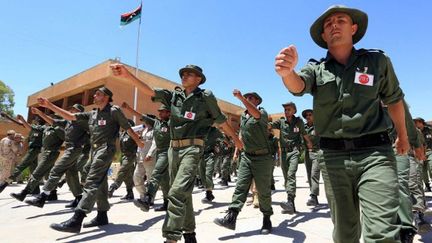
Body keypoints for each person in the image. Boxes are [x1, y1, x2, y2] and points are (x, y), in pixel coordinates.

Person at [274, 5, 409, 242]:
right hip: (333, 158)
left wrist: (403, 136)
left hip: (375, 154)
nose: (334, 25)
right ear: (324, 36)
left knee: (382, 233)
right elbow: (299, 85)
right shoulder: (316, 68)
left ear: (353, 28)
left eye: (341, 20)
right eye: (328, 24)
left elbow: (395, 99)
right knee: (345, 233)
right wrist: (287, 72)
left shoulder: (377, 61)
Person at [111, 63, 242, 243]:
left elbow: (220, 119)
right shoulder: (173, 96)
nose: (185, 76)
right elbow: (149, 91)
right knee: (184, 193)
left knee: (177, 192)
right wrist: (127, 75)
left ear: (198, 79)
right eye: (184, 73)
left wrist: (236, 140)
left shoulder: (205, 97)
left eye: (190, 74)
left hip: (193, 148)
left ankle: (171, 237)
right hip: (173, 149)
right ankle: (190, 235)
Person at [37, 87, 144, 233]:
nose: (95, 95)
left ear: (106, 97)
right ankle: (102, 215)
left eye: (98, 94)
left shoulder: (114, 111)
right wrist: (49, 106)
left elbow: (127, 127)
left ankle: (77, 218)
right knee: (99, 181)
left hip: (106, 149)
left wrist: (139, 143)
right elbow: (70, 116)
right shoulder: (92, 113)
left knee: (92, 181)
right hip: (94, 150)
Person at [214, 91, 273, 235]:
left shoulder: (262, 113)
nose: (248, 99)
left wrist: (240, 98)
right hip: (247, 156)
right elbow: (241, 134)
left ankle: (266, 218)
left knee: (263, 191)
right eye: (247, 98)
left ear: (258, 101)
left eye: (251, 98)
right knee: (240, 186)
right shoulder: (244, 117)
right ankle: (231, 217)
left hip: (262, 158)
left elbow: (256, 114)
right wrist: (237, 149)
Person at [24, 104, 88, 208]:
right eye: (71, 109)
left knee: (56, 170)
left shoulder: (82, 121)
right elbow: (53, 121)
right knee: (71, 174)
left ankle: (43, 197)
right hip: (70, 149)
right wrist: (40, 113)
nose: (71, 110)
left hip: (75, 148)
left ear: (79, 112)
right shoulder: (68, 122)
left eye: (74, 109)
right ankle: (79, 197)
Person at [10, 108, 65, 202]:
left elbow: (67, 139)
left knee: (37, 172)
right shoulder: (46, 128)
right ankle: (53, 194)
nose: (48, 119)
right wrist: (23, 120)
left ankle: (24, 193)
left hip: (51, 153)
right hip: (45, 152)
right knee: (49, 174)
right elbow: (31, 128)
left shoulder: (59, 129)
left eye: (52, 118)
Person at [269, 102, 312, 214]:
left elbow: (304, 134)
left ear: (294, 111)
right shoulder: (281, 122)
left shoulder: (299, 122)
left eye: (288, 109)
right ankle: (291, 205)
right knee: (287, 178)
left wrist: (309, 145)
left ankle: (290, 201)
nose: (286, 111)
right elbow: (269, 126)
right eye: (285, 109)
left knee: (291, 174)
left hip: (294, 151)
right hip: (283, 153)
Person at [0, 113, 44, 193]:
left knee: (20, 167)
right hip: (32, 150)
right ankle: (36, 189)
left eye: (36, 120)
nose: (34, 121)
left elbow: (23, 124)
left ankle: (4, 185)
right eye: (34, 120)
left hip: (35, 150)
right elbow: (21, 124)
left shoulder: (42, 128)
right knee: (33, 170)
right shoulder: (33, 128)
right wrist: (8, 117)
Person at [108, 118, 138, 200]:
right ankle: (130, 193)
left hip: (131, 156)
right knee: (127, 175)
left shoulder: (133, 134)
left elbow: (139, 142)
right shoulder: (123, 134)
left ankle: (113, 188)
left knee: (121, 171)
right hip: (123, 156)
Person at [302, 109, 321, 206]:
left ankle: (313, 196)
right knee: (309, 175)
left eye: (310, 115)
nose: (308, 116)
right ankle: (315, 198)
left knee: (314, 174)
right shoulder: (303, 128)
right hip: (307, 154)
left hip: (317, 152)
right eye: (306, 115)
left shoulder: (319, 126)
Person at [413, 117, 432, 192]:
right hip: (420, 153)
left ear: (421, 122)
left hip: (430, 151)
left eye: (416, 122)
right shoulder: (415, 131)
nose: (415, 124)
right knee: (423, 171)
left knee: (431, 167)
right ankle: (427, 186)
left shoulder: (429, 129)